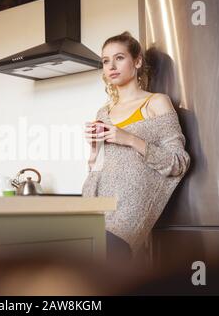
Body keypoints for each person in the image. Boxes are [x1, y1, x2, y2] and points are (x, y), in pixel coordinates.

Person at [82, 31, 191, 260]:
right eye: (105, 61)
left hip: (127, 216)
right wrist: (93, 150)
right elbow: (97, 169)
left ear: (137, 61)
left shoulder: (156, 102)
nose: (111, 65)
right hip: (94, 209)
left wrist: (129, 139)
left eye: (119, 58)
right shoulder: (103, 112)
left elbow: (178, 162)